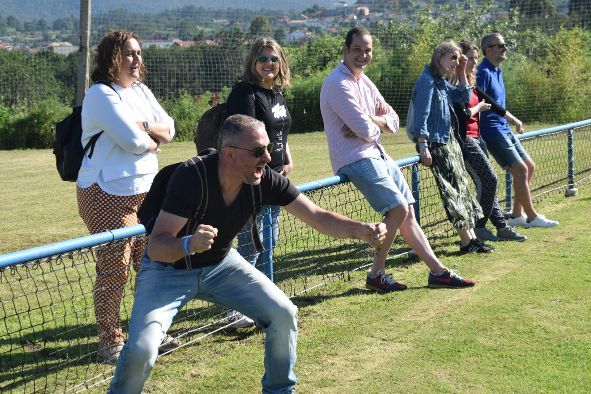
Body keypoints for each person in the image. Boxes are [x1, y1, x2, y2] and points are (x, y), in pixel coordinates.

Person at [108, 114, 387, 393]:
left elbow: (317, 216)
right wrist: (188, 244)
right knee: (143, 349)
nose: (267, 157)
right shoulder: (191, 177)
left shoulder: (264, 179)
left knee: (283, 314)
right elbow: (157, 246)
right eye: (258, 151)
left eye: (267, 149)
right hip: (167, 271)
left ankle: (280, 390)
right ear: (229, 153)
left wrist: (362, 230)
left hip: (221, 265)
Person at [320, 27, 475, 293]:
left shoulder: (364, 82)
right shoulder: (337, 83)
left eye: (367, 50)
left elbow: (393, 120)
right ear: (345, 50)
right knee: (398, 209)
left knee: (408, 213)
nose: (363, 55)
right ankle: (376, 273)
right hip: (355, 157)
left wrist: (370, 120)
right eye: (357, 49)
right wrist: (371, 124)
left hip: (377, 153)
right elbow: (367, 131)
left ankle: (438, 272)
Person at [76, 30, 176, 364]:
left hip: (147, 193)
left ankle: (150, 332)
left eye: (138, 53)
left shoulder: (142, 92)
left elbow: (171, 129)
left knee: (150, 266)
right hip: (106, 192)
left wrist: (144, 125)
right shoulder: (100, 95)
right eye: (129, 54)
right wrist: (150, 136)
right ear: (111, 58)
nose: (137, 60)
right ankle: (110, 341)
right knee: (114, 269)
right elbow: (135, 142)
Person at [225, 37, 293, 327]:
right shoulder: (244, 93)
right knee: (251, 244)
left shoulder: (277, 94)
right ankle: (235, 309)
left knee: (268, 241)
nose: (269, 63)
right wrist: (263, 169)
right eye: (263, 58)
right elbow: (246, 138)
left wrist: (287, 157)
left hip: (274, 178)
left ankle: (264, 302)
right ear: (253, 62)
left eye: (274, 59)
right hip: (251, 179)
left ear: (281, 64)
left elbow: (279, 130)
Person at [407, 39, 494, 254]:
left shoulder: (440, 81)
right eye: (452, 58)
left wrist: (463, 70)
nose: (455, 62)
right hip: (436, 143)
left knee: (462, 188)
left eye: (458, 58)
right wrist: (423, 144)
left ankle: (472, 238)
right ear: (439, 57)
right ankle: (466, 241)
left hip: (450, 140)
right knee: (452, 192)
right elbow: (422, 115)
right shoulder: (427, 81)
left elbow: (464, 97)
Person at [477, 33, 558, 228]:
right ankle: (532, 217)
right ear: (488, 50)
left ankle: (516, 214)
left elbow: (497, 104)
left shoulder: (497, 70)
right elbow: (480, 101)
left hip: (503, 128)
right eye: (500, 45)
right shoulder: (482, 72)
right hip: (492, 130)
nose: (505, 48)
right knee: (520, 170)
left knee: (529, 166)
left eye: (505, 45)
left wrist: (512, 120)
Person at [451, 39, 527, 242]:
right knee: (488, 180)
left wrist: (513, 119)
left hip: (478, 138)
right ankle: (479, 226)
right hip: (465, 140)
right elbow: (462, 114)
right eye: (471, 59)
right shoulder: (455, 85)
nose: (475, 63)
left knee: (488, 182)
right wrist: (478, 109)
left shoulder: (471, 82)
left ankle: (501, 227)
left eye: (476, 59)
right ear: (460, 60)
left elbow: (492, 104)